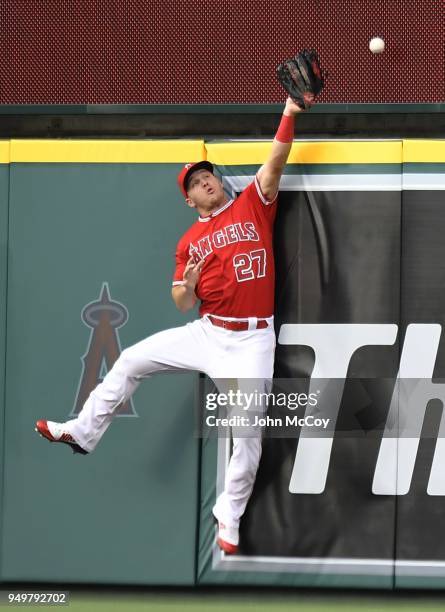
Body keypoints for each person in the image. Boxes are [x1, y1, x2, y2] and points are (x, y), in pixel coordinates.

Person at [35, 94, 314, 555]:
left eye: (209, 176)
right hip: (207, 332)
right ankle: (83, 432)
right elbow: (182, 302)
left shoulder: (252, 206)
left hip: (252, 341)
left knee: (248, 436)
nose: (207, 183)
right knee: (129, 361)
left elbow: (276, 159)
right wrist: (188, 284)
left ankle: (229, 516)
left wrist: (289, 111)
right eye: (198, 183)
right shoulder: (190, 241)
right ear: (189, 199)